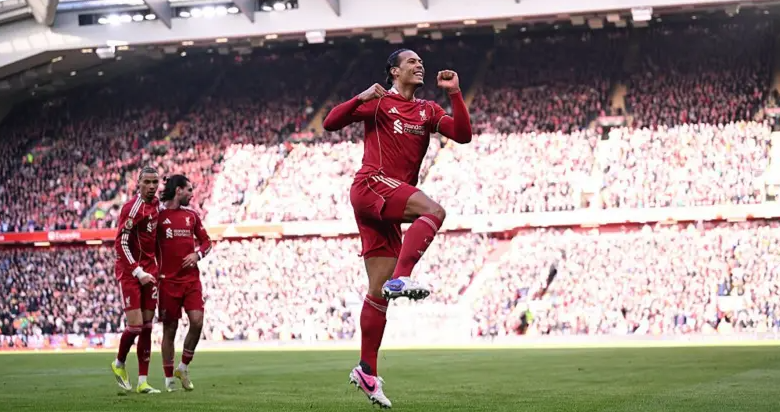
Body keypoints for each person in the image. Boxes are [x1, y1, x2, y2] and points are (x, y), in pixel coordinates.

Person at [322, 48, 472, 408]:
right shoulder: (378, 102)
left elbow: (463, 135)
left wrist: (455, 93)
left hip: (388, 200)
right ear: (394, 71)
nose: (419, 65)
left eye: (421, 62)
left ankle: (366, 371)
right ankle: (403, 277)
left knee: (377, 292)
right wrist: (361, 96)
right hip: (371, 184)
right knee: (434, 211)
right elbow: (329, 123)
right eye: (411, 62)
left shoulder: (427, 111)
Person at [156, 175, 212, 392]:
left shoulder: (192, 216)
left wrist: (198, 254)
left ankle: (183, 367)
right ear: (178, 190)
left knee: (197, 322)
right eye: (189, 190)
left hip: (191, 280)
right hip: (167, 281)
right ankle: (168, 378)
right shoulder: (158, 217)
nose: (192, 194)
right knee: (170, 329)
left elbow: (207, 242)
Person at [110, 166, 161, 394]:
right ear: (138, 183)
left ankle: (142, 382)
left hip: (151, 271)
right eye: (147, 182)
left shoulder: (157, 205)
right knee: (136, 326)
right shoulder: (131, 209)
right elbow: (120, 244)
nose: (151, 186)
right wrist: (138, 271)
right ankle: (119, 363)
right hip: (131, 272)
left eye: (155, 182)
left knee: (148, 327)